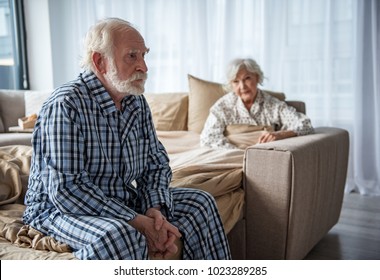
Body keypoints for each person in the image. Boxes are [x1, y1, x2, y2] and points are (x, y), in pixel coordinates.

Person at [23, 18, 231, 260]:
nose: (144, 66)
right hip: (58, 210)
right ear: (100, 62)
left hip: (118, 200)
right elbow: (67, 191)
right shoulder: (66, 104)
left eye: (144, 55)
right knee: (120, 236)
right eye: (132, 56)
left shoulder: (136, 101)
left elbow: (156, 163)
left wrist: (154, 210)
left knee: (200, 203)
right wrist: (136, 221)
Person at [200, 58, 314, 149]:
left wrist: (280, 134)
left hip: (264, 158)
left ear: (257, 78)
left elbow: (305, 125)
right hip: (230, 156)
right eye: (236, 81)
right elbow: (208, 138)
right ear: (231, 85)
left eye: (247, 78)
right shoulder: (222, 106)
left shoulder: (273, 105)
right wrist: (242, 156)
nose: (243, 86)